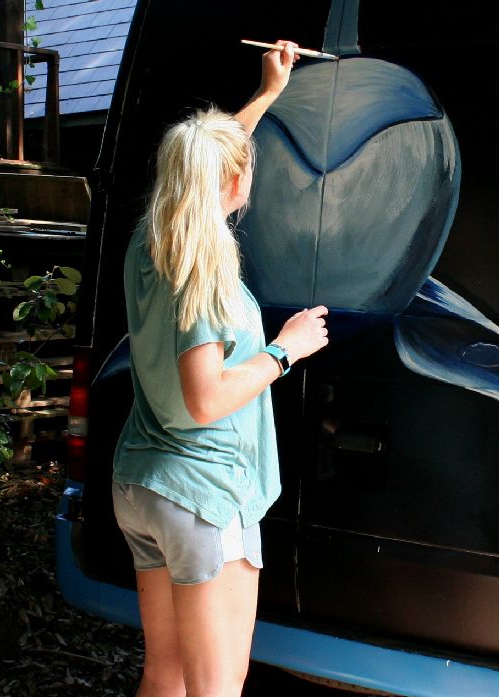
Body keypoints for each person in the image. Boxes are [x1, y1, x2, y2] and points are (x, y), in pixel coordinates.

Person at [111, 40, 328, 697]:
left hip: (144, 487)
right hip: (204, 495)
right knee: (216, 687)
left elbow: (209, 154)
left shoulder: (149, 247)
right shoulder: (205, 271)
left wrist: (265, 94)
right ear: (234, 184)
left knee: (166, 674)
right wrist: (285, 348)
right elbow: (205, 399)